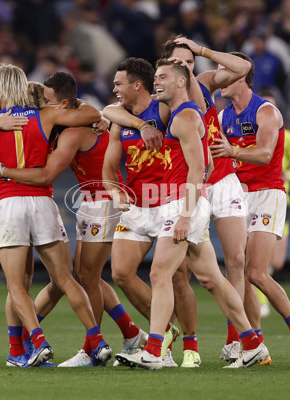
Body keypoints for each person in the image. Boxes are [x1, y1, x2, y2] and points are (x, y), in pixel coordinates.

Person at [115, 59, 270, 370]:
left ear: (181, 83)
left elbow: (199, 170)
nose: (156, 82)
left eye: (162, 77)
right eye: (155, 77)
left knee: (160, 273)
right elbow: (205, 165)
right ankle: (253, 344)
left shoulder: (184, 116)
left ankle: (156, 350)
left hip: (182, 206)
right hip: (176, 204)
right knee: (212, 278)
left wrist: (186, 216)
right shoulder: (176, 114)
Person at [0, 72, 147, 367]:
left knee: (82, 278)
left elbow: (47, 175)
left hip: (104, 201)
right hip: (93, 202)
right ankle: (130, 333)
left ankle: (94, 347)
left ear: (62, 104)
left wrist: (5, 171)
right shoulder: (71, 122)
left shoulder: (73, 131)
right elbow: (96, 111)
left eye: (48, 104)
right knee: (83, 277)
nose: (43, 112)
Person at [0, 64, 111, 368]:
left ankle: (37, 341)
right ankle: (96, 340)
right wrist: (102, 119)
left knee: (17, 285)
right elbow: (91, 114)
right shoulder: (45, 115)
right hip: (43, 204)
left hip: (10, 203)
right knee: (65, 278)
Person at [162, 35, 263, 363]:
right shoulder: (163, 99)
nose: (186, 68)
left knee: (236, 261)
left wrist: (201, 50)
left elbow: (243, 66)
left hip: (225, 181)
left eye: (189, 62)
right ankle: (177, 341)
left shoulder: (204, 82)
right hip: (195, 187)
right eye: (179, 62)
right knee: (184, 272)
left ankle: (236, 340)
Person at [212, 52, 290, 367]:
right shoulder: (221, 116)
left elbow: (267, 154)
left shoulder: (266, 111)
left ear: (240, 77)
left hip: (268, 193)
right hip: (239, 195)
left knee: (255, 272)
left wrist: (232, 150)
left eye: (222, 73)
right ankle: (254, 343)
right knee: (238, 271)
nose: (218, 80)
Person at [102, 57, 197, 367]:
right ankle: (165, 332)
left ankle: (189, 345)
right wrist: (115, 192)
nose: (114, 89)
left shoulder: (165, 108)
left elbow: (190, 109)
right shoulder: (121, 120)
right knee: (120, 273)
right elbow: (108, 169)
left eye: (119, 84)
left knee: (180, 277)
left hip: (170, 202)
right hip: (139, 206)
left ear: (137, 85)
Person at [255, 89, 290, 318]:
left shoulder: (285, 135)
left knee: (276, 261)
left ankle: (258, 285)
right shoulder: (251, 131)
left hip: (282, 199)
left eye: (273, 106)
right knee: (259, 259)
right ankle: (260, 300)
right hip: (259, 196)